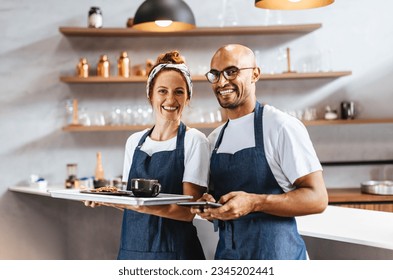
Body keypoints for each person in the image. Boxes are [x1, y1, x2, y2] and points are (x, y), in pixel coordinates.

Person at [191, 44, 328, 260]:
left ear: (255, 74)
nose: (222, 81)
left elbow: (317, 198)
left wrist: (255, 202)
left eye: (232, 71)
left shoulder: (281, 126)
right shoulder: (214, 139)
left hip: (278, 258)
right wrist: (211, 208)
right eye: (215, 75)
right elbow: (225, 207)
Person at [87, 50, 209, 260]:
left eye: (179, 92)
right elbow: (131, 200)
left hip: (176, 255)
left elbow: (188, 212)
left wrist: (140, 206)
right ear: (150, 95)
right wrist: (106, 199)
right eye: (162, 91)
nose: (170, 99)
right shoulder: (134, 142)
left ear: (188, 97)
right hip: (132, 251)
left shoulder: (194, 140)